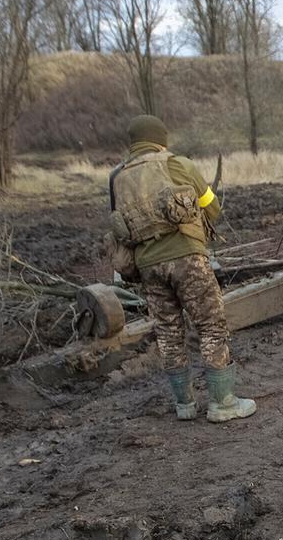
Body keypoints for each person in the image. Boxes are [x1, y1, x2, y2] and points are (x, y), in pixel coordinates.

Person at [108, 114, 256, 423]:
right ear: (160, 139)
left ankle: (184, 405)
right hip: (186, 258)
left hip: (148, 266)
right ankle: (223, 403)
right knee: (211, 326)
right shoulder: (177, 164)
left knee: (168, 332)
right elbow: (212, 207)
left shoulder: (117, 177)